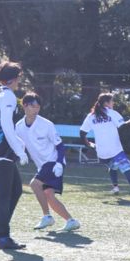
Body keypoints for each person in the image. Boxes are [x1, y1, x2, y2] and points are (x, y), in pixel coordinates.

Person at [15, 92, 81, 233]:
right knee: (49, 195)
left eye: (38, 107)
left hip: (53, 162)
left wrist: (59, 163)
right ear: (25, 106)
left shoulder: (46, 124)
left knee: (34, 184)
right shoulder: (19, 126)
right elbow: (17, 144)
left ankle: (47, 217)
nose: (36, 109)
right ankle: (71, 221)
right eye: (33, 106)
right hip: (41, 166)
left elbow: (60, 146)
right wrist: (20, 154)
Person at [0, 61, 29, 250]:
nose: (19, 81)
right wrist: (19, 150)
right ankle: (3, 237)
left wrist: (18, 143)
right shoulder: (8, 95)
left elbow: (4, 126)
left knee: (15, 191)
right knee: (4, 195)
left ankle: (0, 230)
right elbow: (7, 126)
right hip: (0, 150)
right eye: (18, 77)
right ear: (14, 78)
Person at [80, 93, 130, 201]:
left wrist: (89, 144)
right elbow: (122, 127)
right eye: (112, 101)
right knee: (126, 169)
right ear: (106, 103)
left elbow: (82, 133)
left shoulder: (91, 116)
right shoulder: (111, 113)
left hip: (102, 153)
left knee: (112, 166)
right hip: (115, 149)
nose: (113, 103)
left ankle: (115, 188)